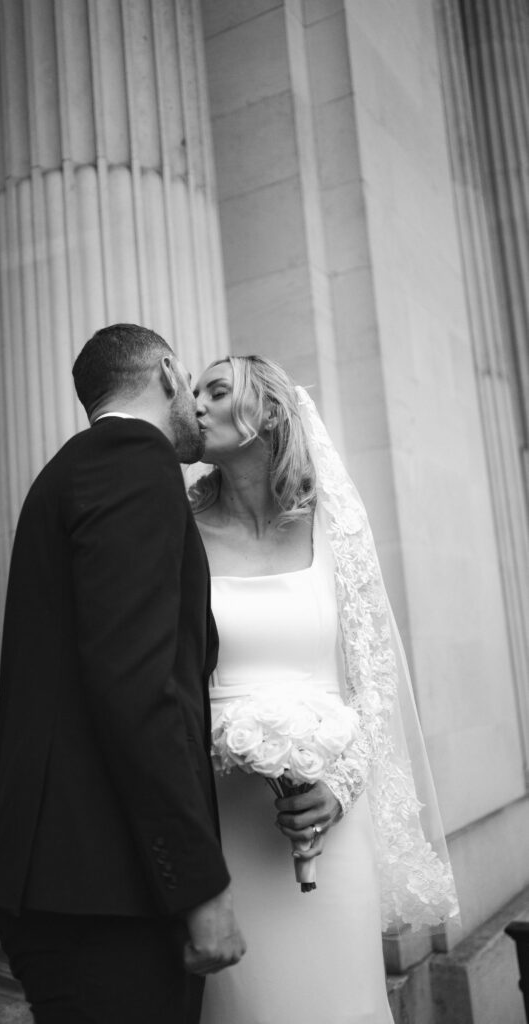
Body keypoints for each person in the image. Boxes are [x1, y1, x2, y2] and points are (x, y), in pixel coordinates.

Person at [0, 324, 245, 1024]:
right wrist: (199, 886)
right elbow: (137, 689)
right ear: (167, 372)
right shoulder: (132, 462)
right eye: (195, 386)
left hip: (71, 882)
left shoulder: (74, 466)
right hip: (107, 891)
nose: (198, 405)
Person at [190, 355, 460, 1024]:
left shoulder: (332, 527)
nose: (195, 404)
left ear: (271, 413)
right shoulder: (177, 529)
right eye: (192, 392)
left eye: (216, 392)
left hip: (331, 816)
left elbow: (373, 681)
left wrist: (339, 789)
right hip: (220, 818)